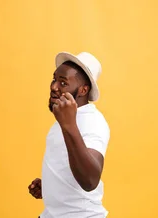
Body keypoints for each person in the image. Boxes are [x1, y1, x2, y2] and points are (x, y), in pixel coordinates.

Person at [28, 52, 110, 218]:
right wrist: (51, 186)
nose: (54, 87)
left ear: (83, 90)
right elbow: (71, 164)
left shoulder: (92, 121)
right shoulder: (64, 119)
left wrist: (69, 125)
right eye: (54, 79)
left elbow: (90, 180)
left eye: (63, 83)